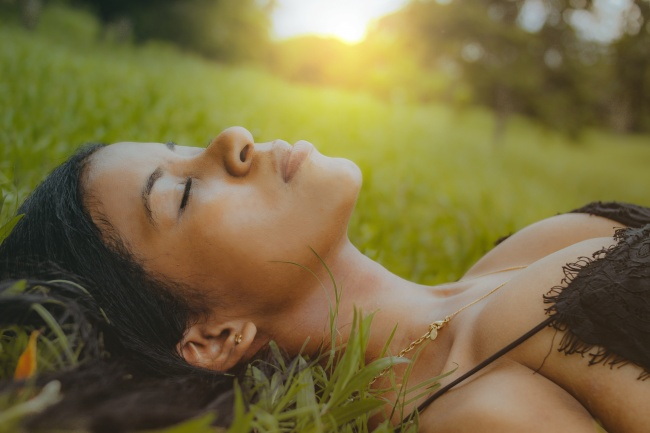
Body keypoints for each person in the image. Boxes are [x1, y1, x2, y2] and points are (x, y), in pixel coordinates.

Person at [1, 126, 649, 432]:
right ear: (216, 336)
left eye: (183, 146)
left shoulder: (522, 251)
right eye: (183, 193)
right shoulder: (476, 409)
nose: (232, 140)